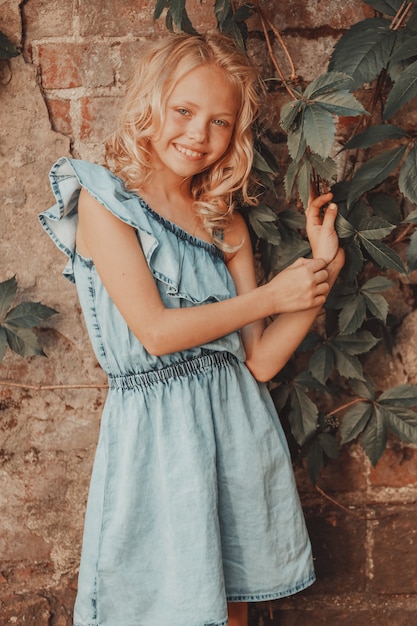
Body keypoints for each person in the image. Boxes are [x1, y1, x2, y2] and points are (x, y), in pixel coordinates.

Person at [39, 32, 344, 626]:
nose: (199, 135)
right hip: (159, 443)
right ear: (150, 105)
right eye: (184, 111)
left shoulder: (223, 224)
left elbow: (257, 362)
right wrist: (269, 296)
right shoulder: (107, 204)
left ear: (235, 134)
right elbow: (154, 332)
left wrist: (320, 270)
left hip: (235, 433)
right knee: (158, 606)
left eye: (220, 122)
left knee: (231, 609)